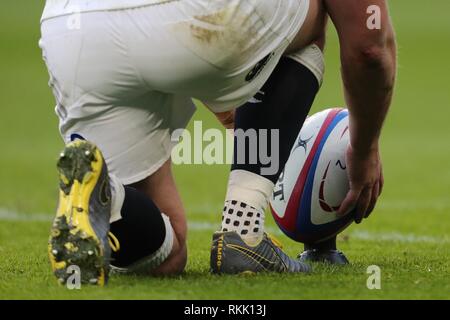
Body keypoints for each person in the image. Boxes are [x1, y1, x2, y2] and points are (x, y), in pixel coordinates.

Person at [40, 0, 396, 285]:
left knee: (166, 254)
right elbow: (368, 48)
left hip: (72, 28)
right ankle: (243, 227)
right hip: (206, 15)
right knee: (314, 11)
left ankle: (108, 196)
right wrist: (363, 150)